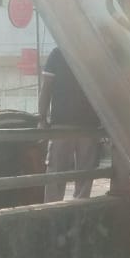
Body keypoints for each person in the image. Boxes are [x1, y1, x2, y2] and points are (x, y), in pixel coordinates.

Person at [38, 45, 100, 200]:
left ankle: (53, 210)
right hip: (88, 125)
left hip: (64, 123)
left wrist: (42, 119)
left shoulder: (58, 53)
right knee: (84, 175)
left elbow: (46, 87)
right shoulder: (93, 53)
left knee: (56, 173)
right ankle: (79, 210)